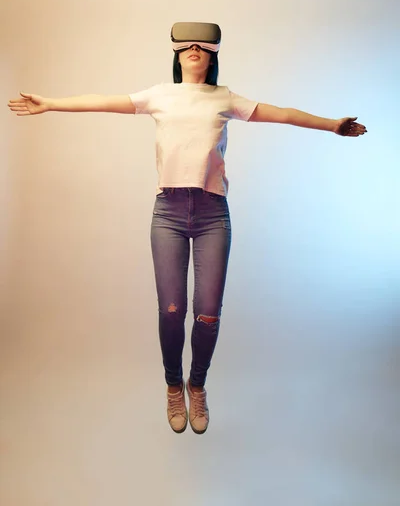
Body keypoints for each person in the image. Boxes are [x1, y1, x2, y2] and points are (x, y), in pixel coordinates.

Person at [8, 22, 367, 435]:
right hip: (170, 214)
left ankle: (197, 385)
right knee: (172, 310)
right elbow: (103, 101)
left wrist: (332, 124)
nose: (194, 49)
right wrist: (50, 103)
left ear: (213, 55)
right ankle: (172, 385)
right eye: (186, 45)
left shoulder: (225, 98)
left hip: (213, 213)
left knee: (208, 315)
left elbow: (281, 114)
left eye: (203, 45)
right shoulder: (159, 95)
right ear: (177, 55)